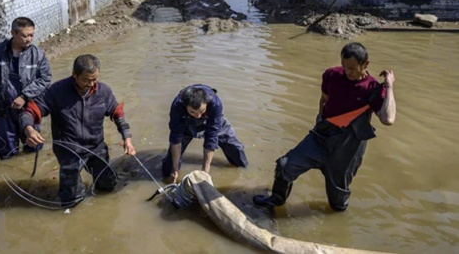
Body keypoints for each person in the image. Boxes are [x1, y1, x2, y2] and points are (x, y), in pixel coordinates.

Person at [253, 42, 396, 211]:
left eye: (352, 68)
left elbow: (388, 119)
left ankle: (337, 221)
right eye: (344, 66)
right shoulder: (332, 74)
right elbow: (324, 99)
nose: (347, 72)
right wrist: (321, 123)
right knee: (286, 165)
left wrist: (389, 86)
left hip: (348, 148)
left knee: (337, 199)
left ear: (366, 65)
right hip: (322, 136)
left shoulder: (373, 88)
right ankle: (276, 200)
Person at [20, 54, 136, 208]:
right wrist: (29, 129)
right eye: (87, 80)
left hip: (96, 147)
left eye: (95, 79)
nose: (91, 84)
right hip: (69, 150)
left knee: (107, 186)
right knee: (70, 199)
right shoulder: (57, 91)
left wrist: (127, 138)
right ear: (74, 75)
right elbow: (30, 111)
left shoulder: (103, 91)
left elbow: (117, 113)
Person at [0, 17, 51, 159]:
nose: (29, 39)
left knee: (33, 146)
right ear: (13, 33)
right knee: (4, 151)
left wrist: (24, 96)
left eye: (32, 35)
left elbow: (45, 79)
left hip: (28, 107)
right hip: (4, 107)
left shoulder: (37, 54)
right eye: (25, 35)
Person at [161, 84, 248, 183]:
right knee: (170, 164)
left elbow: (212, 136)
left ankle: (244, 170)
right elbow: (176, 138)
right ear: (185, 106)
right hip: (186, 122)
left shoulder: (215, 104)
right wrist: (175, 169)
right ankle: (166, 179)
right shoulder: (177, 106)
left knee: (236, 148)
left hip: (211, 120)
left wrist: (205, 172)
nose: (198, 116)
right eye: (193, 112)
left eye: (201, 111)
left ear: (206, 103)